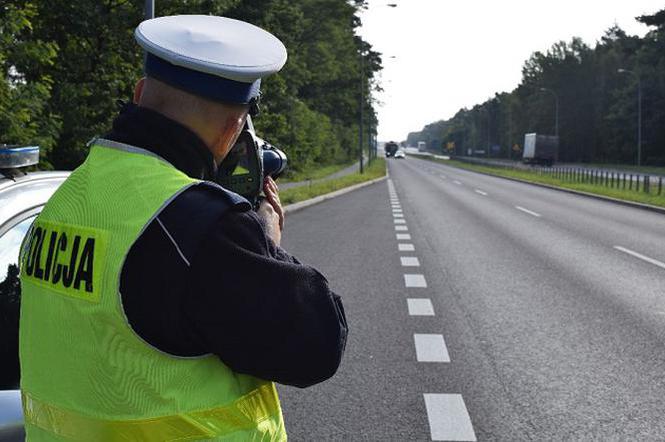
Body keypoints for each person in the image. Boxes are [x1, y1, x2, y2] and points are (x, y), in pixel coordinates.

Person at [19, 15, 347, 441]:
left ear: (139, 94)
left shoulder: (65, 198)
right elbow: (318, 346)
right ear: (235, 126)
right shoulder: (199, 225)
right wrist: (267, 245)